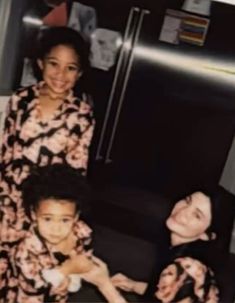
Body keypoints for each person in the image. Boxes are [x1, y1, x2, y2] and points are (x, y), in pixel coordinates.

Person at [0, 26, 95, 245]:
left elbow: (77, 170)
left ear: (79, 73)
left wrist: (66, 217)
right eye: (54, 64)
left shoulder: (82, 114)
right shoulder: (20, 99)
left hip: (48, 208)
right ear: (41, 63)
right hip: (9, 199)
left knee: (32, 269)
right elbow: (6, 151)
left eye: (70, 68)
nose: (61, 75)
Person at [80, 191, 220, 303]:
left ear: (206, 235)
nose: (183, 211)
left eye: (197, 215)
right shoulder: (177, 251)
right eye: (187, 201)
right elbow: (168, 292)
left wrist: (104, 284)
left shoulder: (188, 269)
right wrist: (133, 285)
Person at [3, 164, 94, 303]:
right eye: (47, 219)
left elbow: (85, 259)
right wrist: (66, 270)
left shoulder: (80, 231)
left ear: (76, 217)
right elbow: (35, 284)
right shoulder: (25, 249)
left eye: (65, 220)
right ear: (34, 215)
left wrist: (74, 277)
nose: (56, 229)